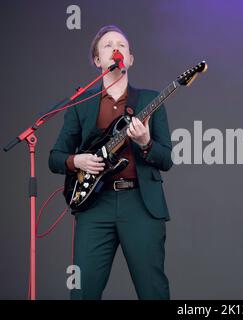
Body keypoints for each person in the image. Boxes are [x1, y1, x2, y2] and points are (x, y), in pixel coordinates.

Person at [48, 25, 173, 300]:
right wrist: (76, 160)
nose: (116, 48)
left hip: (141, 204)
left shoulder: (151, 100)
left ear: (130, 59)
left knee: (153, 291)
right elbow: (55, 158)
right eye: (107, 45)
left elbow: (166, 159)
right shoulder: (80, 103)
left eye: (122, 45)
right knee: (82, 292)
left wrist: (145, 143)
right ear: (97, 60)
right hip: (94, 206)